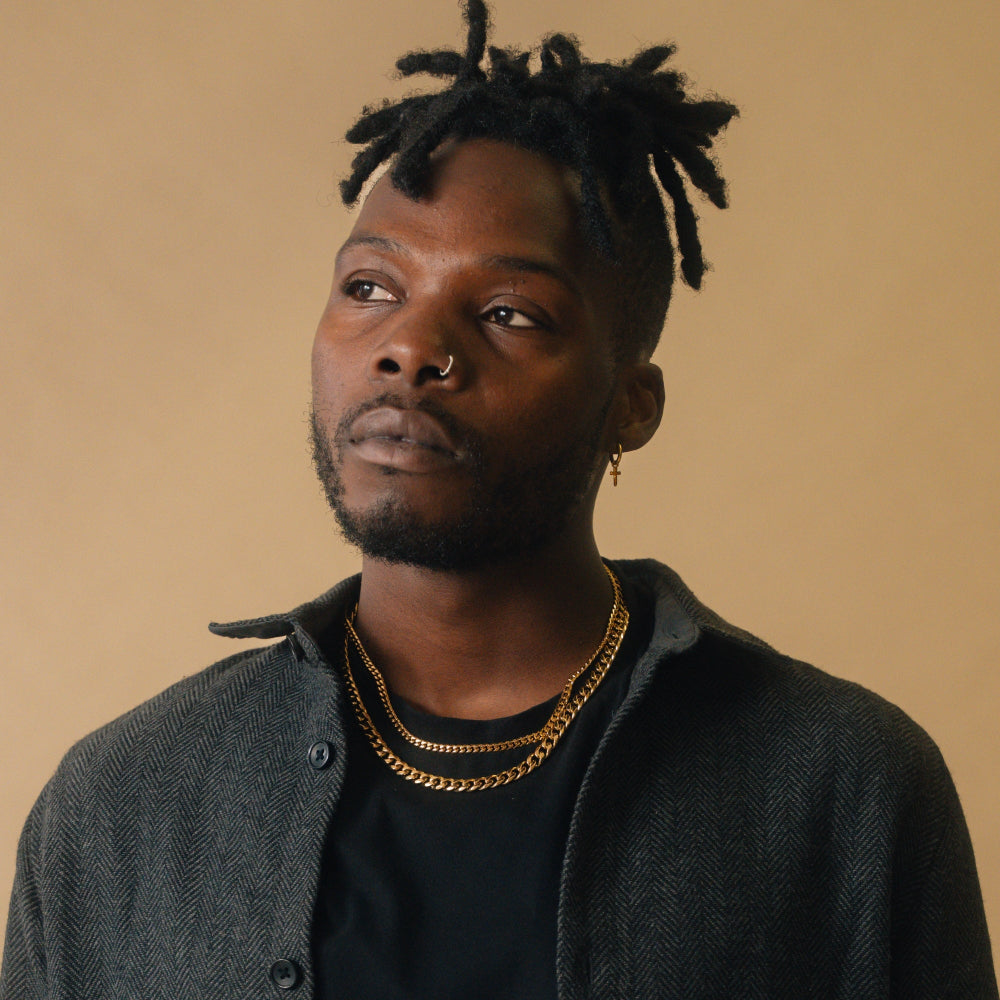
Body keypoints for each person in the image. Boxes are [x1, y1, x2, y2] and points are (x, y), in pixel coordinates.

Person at [2, 2, 996, 997]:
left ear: (630, 407)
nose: (409, 346)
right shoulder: (121, 806)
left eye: (508, 312)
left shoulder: (840, 787)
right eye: (369, 288)